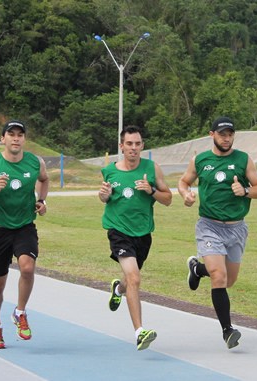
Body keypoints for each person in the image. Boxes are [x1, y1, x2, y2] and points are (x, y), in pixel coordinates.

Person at [178, 116, 257, 349]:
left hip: (237, 228)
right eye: (222, 134)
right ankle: (228, 330)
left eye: (230, 134)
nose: (226, 138)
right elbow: (183, 182)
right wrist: (185, 194)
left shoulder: (243, 160)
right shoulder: (200, 160)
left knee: (229, 280)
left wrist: (245, 190)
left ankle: (197, 268)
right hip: (209, 226)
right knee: (219, 276)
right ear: (212, 135)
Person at [0, 120, 49, 349]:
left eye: (20, 135)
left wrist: (42, 201)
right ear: (2, 138)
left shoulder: (35, 162)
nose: (16, 138)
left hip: (24, 227)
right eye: (11, 134)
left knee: (27, 267)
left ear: (24, 139)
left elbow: (44, 180)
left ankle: (20, 312)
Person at [98, 125, 172, 351]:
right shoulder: (109, 171)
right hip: (118, 231)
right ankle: (140, 331)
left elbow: (168, 198)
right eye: (129, 144)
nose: (133, 148)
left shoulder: (152, 169)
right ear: (121, 146)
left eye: (137, 144)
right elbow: (104, 197)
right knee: (135, 278)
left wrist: (151, 190)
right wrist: (104, 196)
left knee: (130, 280)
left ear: (142, 146)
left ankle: (118, 290)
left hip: (143, 233)